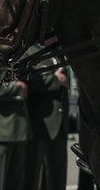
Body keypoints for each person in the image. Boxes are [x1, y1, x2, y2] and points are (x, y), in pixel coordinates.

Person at [25, 51, 70, 190]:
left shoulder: (58, 52)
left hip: (60, 124)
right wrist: (55, 81)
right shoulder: (28, 52)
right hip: (38, 123)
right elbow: (26, 84)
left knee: (57, 178)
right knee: (32, 177)